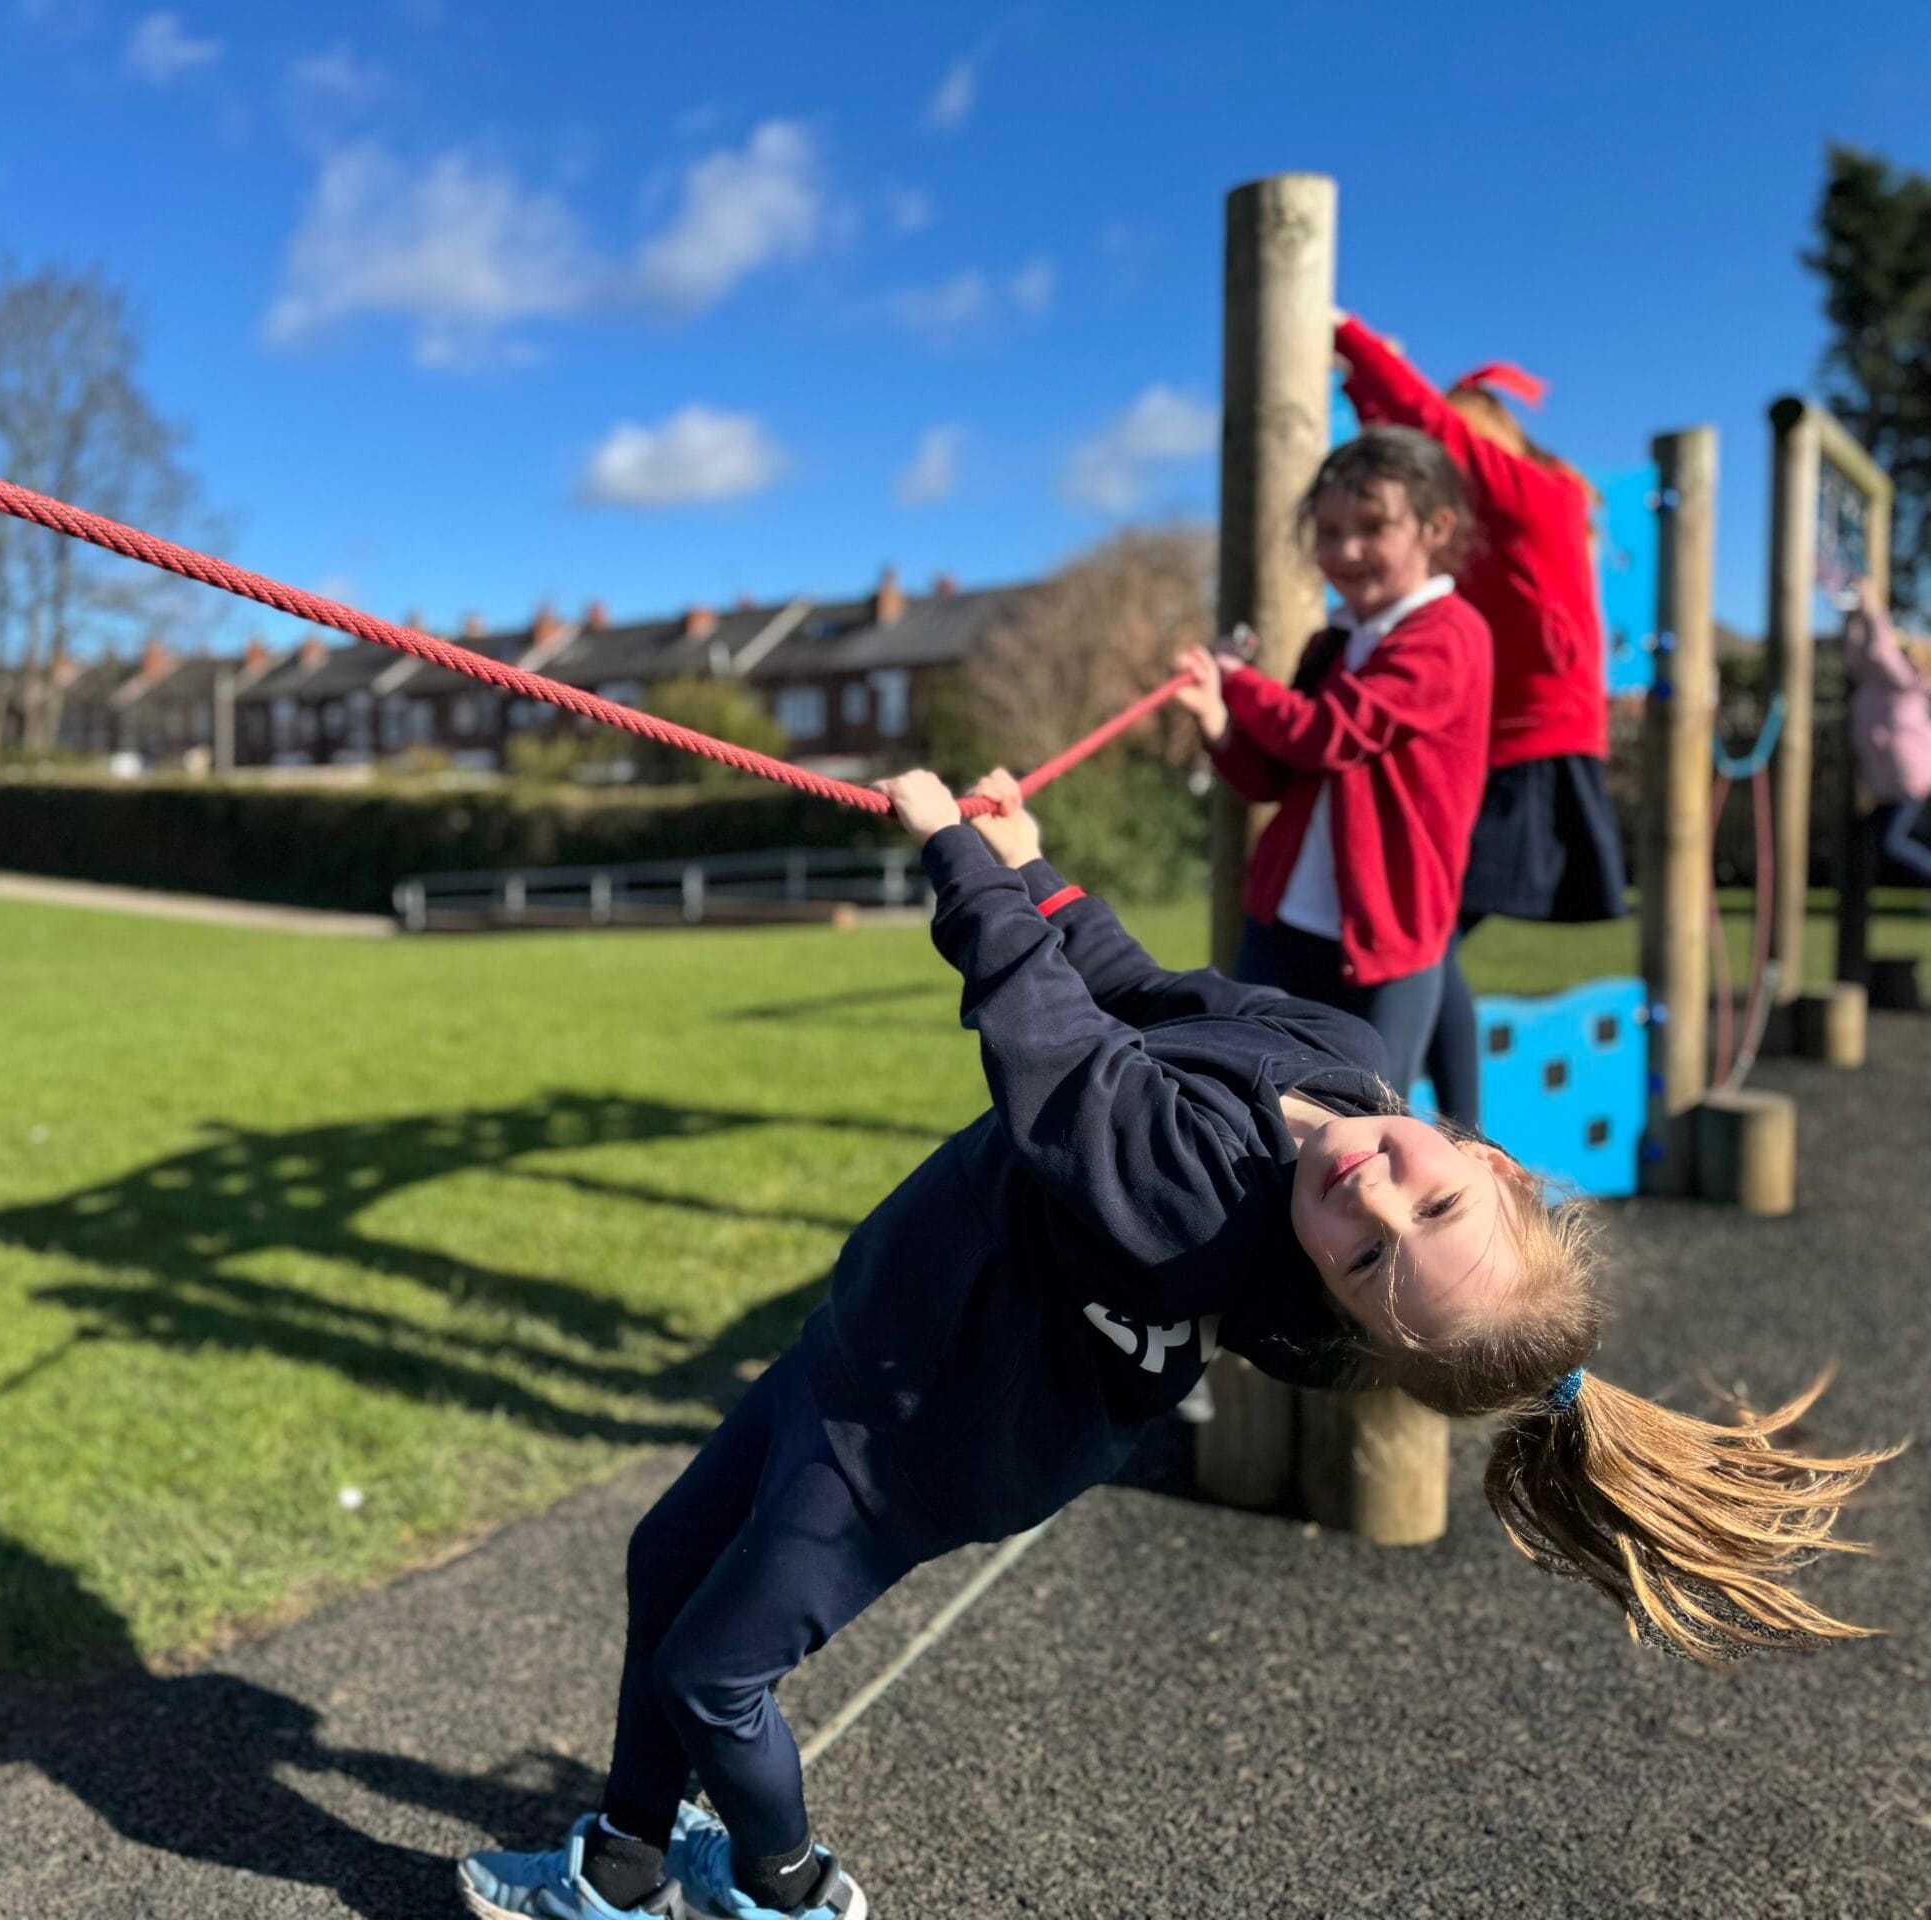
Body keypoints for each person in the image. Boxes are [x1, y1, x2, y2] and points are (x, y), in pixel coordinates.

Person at [456, 770, 1889, 1920]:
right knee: (666, 1559)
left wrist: (958, 857)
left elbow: (1055, 1044)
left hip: (917, 1434)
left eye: (1369, 1259)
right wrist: (1036, 865)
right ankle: (625, 1863)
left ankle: (785, 1886)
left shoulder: (1198, 1204)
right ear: (1492, 1157)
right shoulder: (1347, 1068)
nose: (1372, 1198)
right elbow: (1143, 993)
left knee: (714, 1673)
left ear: (1334, 1298)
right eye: (1434, 1198)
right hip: (872, 1339)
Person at [1332, 312, 1629, 1128]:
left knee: (1422, 929)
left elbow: (1429, 436)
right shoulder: (1486, 528)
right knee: (1431, 932)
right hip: (1498, 750)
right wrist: (1362, 388)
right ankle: (1457, 1128)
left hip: (1537, 751)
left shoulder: (1537, 496)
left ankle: (1416, 1120)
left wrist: (1350, 338)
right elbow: (1407, 453)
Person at [1170, 425, 1491, 1096]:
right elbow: (1275, 777)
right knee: (1255, 1097)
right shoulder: (1334, 642)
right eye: (1328, 532)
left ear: (1435, 528)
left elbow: (1329, 733)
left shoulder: (1448, 634)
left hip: (1387, 933)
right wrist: (1219, 721)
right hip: (1285, 922)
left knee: (1366, 1112)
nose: (1345, 550)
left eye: (1372, 528)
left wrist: (1240, 681)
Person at [1844, 573, 1931, 899]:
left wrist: (1873, 608)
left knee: (1892, 843)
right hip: (1889, 783)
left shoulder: (1903, 681)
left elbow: (1880, 651)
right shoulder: (1878, 682)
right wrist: (1857, 620)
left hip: (1906, 780)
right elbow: (1858, 657)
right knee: (1876, 839)